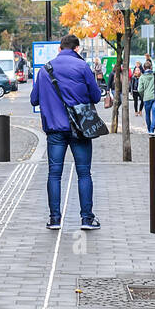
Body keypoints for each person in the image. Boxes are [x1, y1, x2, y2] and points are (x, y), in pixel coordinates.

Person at [30, 34, 103, 231]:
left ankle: (54, 219)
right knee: (83, 173)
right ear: (77, 49)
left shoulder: (45, 70)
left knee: (54, 174)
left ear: (59, 49)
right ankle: (86, 219)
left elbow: (34, 100)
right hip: (80, 128)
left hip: (55, 129)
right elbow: (96, 96)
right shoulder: (82, 67)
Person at [137, 60, 155, 133]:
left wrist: (143, 95)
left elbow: (140, 90)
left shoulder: (142, 77)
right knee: (154, 114)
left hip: (146, 98)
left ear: (144, 68)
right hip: (154, 98)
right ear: (151, 67)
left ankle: (149, 129)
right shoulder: (154, 76)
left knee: (147, 114)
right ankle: (152, 130)